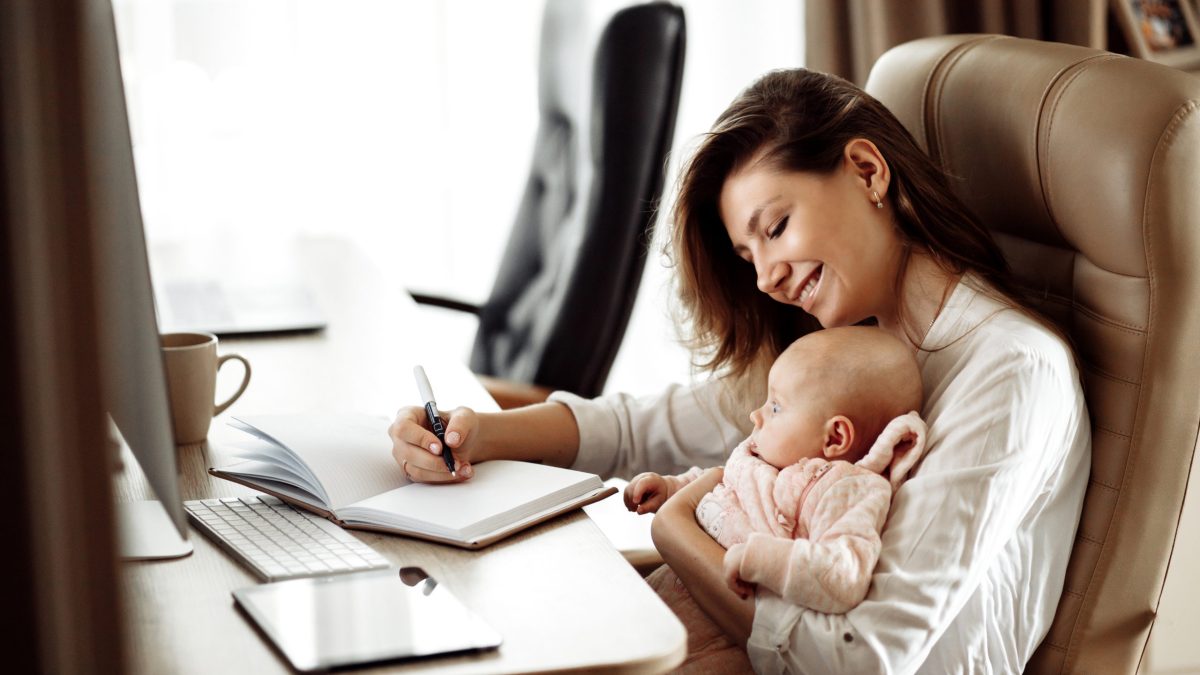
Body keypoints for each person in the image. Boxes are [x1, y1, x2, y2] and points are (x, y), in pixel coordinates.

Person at [389, 67, 1090, 673]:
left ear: (869, 171)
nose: (766, 279)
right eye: (748, 256)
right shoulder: (852, 343)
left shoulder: (1011, 372)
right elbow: (643, 425)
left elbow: (858, 655)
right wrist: (477, 433)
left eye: (776, 227)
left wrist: (675, 530)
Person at [624, 326, 929, 672]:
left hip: (715, 647)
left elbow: (843, 573)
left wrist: (761, 559)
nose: (757, 414)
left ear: (835, 436)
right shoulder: (764, 459)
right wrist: (671, 488)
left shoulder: (846, 489)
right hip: (657, 611)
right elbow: (723, 492)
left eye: (776, 407)